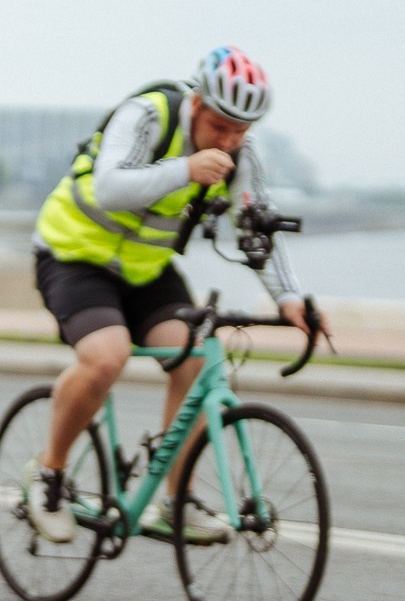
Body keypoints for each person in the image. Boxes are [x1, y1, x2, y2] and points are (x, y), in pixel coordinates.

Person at [25, 47, 311, 544]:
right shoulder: (148, 115)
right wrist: (186, 168)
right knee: (105, 359)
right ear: (197, 103)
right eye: (219, 125)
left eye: (240, 131)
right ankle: (48, 475)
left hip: (146, 269)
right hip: (74, 255)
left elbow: (256, 228)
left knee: (196, 358)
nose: (228, 141)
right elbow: (109, 187)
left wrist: (290, 299)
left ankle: (175, 501)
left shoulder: (241, 154)